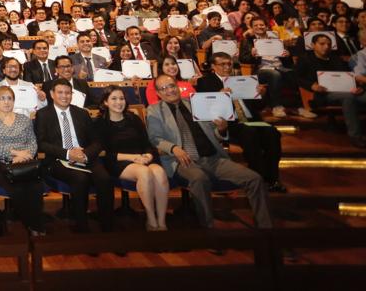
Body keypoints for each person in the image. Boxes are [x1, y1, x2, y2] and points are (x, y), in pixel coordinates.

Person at [146, 74, 272, 228]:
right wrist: (173, 148)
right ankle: (208, 229)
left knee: (254, 179)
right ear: (158, 93)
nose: (170, 90)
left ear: (177, 86)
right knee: (200, 179)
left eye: (172, 86)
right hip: (183, 161)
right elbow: (155, 138)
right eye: (164, 88)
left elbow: (214, 132)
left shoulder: (196, 103)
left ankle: (266, 228)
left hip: (213, 158)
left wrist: (221, 129)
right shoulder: (154, 111)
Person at [196, 53, 285, 191]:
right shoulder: (205, 82)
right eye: (222, 64)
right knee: (249, 132)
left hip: (251, 120)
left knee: (272, 132)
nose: (227, 67)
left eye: (229, 64)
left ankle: (273, 178)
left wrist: (261, 95)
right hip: (230, 122)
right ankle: (258, 177)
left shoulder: (241, 80)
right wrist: (220, 96)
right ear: (213, 66)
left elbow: (258, 107)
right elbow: (206, 108)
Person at [35, 79, 114, 232]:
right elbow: (41, 144)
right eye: (60, 92)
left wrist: (85, 154)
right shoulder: (43, 115)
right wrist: (68, 153)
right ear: (52, 94)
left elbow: (97, 141)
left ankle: (107, 226)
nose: (64, 96)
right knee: (80, 178)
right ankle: (81, 225)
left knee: (104, 178)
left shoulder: (82, 113)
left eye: (68, 93)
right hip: (59, 159)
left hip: (85, 156)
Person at [96, 86, 169, 231]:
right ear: (105, 102)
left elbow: (146, 143)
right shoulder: (100, 123)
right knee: (144, 173)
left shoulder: (133, 118)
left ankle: (162, 221)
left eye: (121, 98)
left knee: (160, 173)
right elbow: (105, 153)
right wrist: (133, 157)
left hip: (142, 158)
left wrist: (148, 155)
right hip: (118, 161)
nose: (119, 102)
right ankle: (151, 220)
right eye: (114, 99)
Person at [0, 86, 46, 236]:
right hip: (0, 164)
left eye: (9, 98)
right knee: (17, 188)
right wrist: (16, 154)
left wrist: (25, 155)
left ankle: (36, 225)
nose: (6, 102)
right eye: (2, 98)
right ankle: (33, 226)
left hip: (25, 163)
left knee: (36, 186)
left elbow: (33, 142)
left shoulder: (24, 119)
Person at [297, 33, 366, 148]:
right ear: (313, 45)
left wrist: (359, 87)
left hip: (345, 91)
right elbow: (296, 78)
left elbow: (348, 76)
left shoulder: (335, 59)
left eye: (329, 44)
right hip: (321, 94)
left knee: (357, 96)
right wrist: (311, 85)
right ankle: (355, 137)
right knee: (348, 98)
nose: (326, 46)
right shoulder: (305, 59)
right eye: (322, 44)